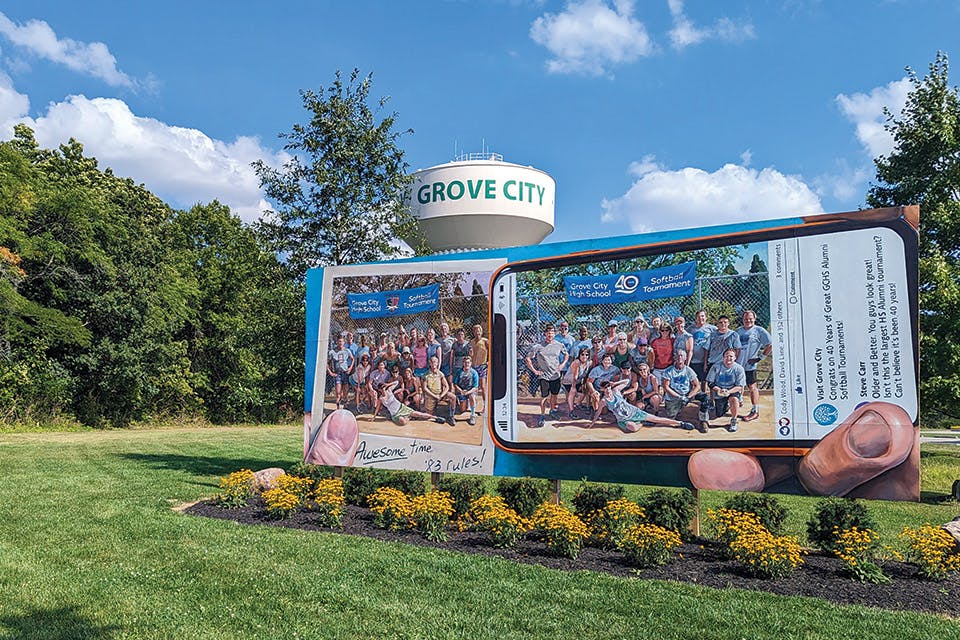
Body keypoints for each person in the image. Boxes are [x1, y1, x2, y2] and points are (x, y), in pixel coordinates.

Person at [590, 378, 695, 432]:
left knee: (656, 419)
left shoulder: (616, 391)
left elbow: (627, 381)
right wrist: (592, 423)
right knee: (633, 428)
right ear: (602, 389)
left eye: (608, 387)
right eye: (606, 388)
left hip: (634, 412)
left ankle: (680, 423)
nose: (608, 389)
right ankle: (642, 423)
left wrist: (614, 384)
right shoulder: (604, 401)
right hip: (623, 419)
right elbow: (598, 412)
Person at [525, 323, 569, 427]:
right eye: (548, 333)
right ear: (545, 334)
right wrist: (535, 371)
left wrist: (562, 364)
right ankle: (542, 415)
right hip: (544, 376)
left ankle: (552, 411)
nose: (550, 334)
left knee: (554, 395)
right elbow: (528, 358)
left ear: (554, 334)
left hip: (556, 375)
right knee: (544, 397)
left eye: (552, 333)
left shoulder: (559, 345)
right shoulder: (538, 346)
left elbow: (566, 354)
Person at [736, 309, 772, 422]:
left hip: (749, 366)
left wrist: (759, 358)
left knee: (752, 387)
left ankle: (755, 411)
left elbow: (769, 345)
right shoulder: (737, 331)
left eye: (750, 319)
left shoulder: (759, 331)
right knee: (738, 386)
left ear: (754, 319)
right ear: (742, 319)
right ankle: (735, 406)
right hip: (737, 365)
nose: (748, 320)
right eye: (746, 319)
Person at [705, 348, 747, 433]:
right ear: (723, 357)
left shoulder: (739, 369)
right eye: (726, 356)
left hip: (733, 390)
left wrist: (729, 392)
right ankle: (727, 405)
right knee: (719, 414)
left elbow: (740, 386)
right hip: (720, 391)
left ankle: (734, 420)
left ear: (735, 358)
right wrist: (719, 390)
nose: (728, 358)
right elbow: (710, 382)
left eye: (731, 356)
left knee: (734, 399)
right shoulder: (716, 366)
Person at [378, 379, 447, 426]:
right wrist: (374, 417)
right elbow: (378, 407)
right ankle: (409, 417)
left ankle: (435, 418)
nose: (383, 389)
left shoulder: (389, 390)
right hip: (395, 414)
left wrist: (387, 384)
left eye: (384, 387)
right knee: (403, 422)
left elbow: (397, 382)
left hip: (402, 408)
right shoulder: (381, 398)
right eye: (381, 388)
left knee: (420, 414)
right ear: (379, 390)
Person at [661, 349, 701, 424]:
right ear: (675, 357)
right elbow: (666, 387)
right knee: (671, 416)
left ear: (685, 358)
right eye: (678, 355)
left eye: (682, 355)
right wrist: (679, 396)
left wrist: (688, 396)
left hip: (687, 395)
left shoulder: (688, 370)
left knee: (705, 398)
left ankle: (703, 420)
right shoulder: (668, 371)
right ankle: (677, 410)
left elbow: (697, 386)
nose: (679, 357)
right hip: (673, 397)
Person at [422, 355, 456, 426]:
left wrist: (441, 395)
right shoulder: (426, 375)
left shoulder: (440, 374)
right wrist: (434, 396)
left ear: (437, 363)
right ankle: (436, 418)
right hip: (431, 395)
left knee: (453, 397)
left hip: (440, 394)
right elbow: (425, 388)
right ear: (430, 363)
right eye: (432, 362)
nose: (434, 363)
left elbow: (446, 386)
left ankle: (451, 416)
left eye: (435, 362)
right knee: (428, 416)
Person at [562, 347, 592, 418]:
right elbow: (575, 377)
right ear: (579, 355)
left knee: (583, 393)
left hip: (578, 381)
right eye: (582, 354)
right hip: (569, 382)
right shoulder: (577, 362)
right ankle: (571, 411)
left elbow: (586, 374)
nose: (584, 356)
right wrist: (573, 387)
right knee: (572, 393)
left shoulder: (589, 363)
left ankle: (578, 404)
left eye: (586, 354)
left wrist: (583, 384)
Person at [586, 352, 619, 419]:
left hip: (608, 390)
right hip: (598, 389)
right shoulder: (596, 370)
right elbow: (589, 382)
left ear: (611, 361)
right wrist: (593, 391)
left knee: (604, 412)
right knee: (595, 395)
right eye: (605, 360)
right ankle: (595, 412)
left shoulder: (615, 369)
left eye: (609, 360)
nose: (607, 362)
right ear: (602, 361)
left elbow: (617, 380)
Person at [327, 335, 355, 410]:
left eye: (342, 341)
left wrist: (350, 368)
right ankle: (338, 408)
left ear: (344, 342)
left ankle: (345, 407)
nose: (340, 343)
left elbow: (353, 359)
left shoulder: (347, 351)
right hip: (338, 373)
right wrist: (330, 372)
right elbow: (327, 363)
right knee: (338, 393)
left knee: (345, 393)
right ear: (337, 342)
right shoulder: (332, 352)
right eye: (339, 341)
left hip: (345, 373)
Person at [690, 309, 716, 385]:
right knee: (694, 380)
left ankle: (703, 395)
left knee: (704, 380)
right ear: (695, 318)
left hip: (705, 358)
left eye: (702, 316)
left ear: (706, 317)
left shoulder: (712, 329)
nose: (700, 318)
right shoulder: (690, 329)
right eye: (698, 317)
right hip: (694, 359)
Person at [452, 355, 480, 426]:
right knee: (462, 410)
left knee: (472, 396)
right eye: (465, 362)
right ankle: (463, 403)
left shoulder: (474, 373)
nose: (466, 364)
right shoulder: (459, 372)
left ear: (470, 363)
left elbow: (475, 387)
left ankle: (472, 415)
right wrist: (461, 391)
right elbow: (455, 384)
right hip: (461, 391)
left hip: (470, 391)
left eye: (468, 362)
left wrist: (468, 392)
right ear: (463, 363)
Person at [469, 323, 489, 413]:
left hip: (482, 366)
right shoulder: (472, 342)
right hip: (473, 366)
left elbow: (491, 352)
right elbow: (471, 354)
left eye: (479, 330)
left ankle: (485, 406)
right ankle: (472, 405)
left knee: (483, 386)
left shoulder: (485, 341)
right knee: (473, 387)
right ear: (473, 332)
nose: (477, 332)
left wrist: (488, 362)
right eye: (475, 330)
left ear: (481, 332)